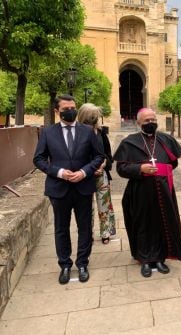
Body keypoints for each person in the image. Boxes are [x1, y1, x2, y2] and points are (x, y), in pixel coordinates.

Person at [33, 94, 104, 284]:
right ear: (57, 111)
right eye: (66, 109)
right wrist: (60, 172)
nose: (71, 111)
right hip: (59, 188)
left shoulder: (88, 132)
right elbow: (38, 159)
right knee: (61, 229)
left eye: (73, 107)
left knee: (85, 228)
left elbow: (98, 156)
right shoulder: (48, 133)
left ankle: (82, 263)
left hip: (83, 187)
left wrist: (84, 172)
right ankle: (65, 265)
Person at [113, 108, 181, 277]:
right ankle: (145, 259)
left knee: (162, 223)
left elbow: (173, 163)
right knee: (142, 225)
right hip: (140, 192)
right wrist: (140, 168)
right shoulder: (129, 142)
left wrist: (162, 170)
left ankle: (160, 258)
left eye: (153, 119)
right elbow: (121, 169)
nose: (151, 122)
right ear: (139, 123)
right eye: (146, 121)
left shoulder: (166, 139)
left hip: (163, 190)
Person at [77, 103, 116, 244]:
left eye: (95, 116)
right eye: (91, 117)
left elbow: (108, 154)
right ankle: (87, 234)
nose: (94, 119)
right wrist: (89, 169)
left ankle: (106, 232)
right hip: (85, 175)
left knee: (104, 204)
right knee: (87, 206)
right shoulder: (76, 134)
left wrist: (105, 163)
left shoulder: (101, 133)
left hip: (101, 174)